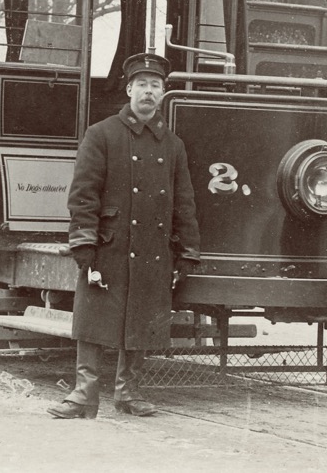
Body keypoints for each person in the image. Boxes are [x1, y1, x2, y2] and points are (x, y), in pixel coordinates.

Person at [47, 53, 201, 419]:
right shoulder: (101, 134)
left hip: (152, 247)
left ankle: (129, 393)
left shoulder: (173, 145)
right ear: (129, 89)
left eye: (156, 86)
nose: (148, 92)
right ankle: (84, 395)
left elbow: (184, 201)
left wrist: (187, 249)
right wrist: (84, 244)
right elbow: (84, 194)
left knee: (142, 319)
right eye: (142, 85)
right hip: (109, 245)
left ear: (163, 94)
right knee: (94, 318)